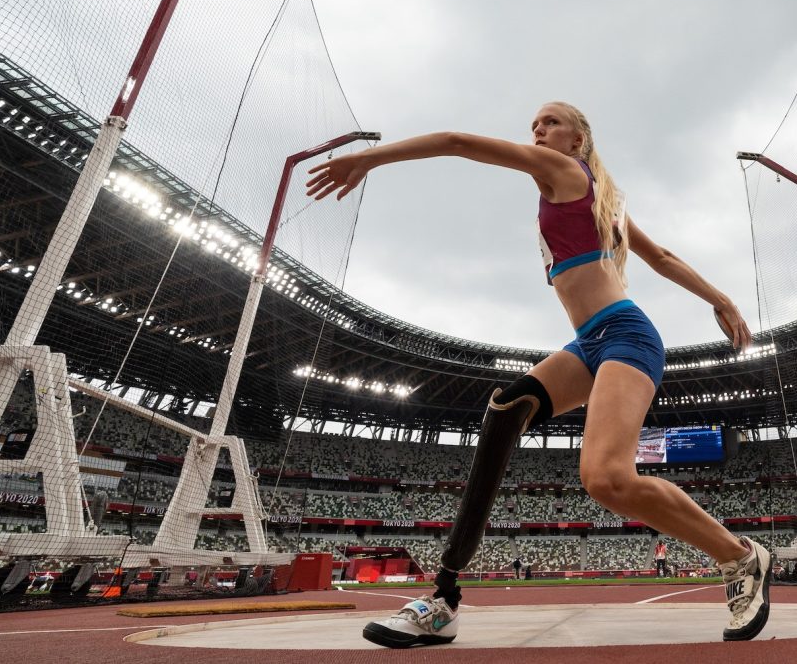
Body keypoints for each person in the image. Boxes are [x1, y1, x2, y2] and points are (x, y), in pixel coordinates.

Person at [307, 102, 771, 647]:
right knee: (506, 409)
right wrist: (721, 300)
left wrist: (371, 158)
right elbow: (662, 256)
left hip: (626, 335)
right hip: (589, 342)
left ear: (579, 140)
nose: (537, 131)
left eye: (550, 123)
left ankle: (740, 557)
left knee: (606, 480)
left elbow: (458, 141)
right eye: (533, 126)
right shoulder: (604, 203)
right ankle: (444, 599)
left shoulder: (566, 173)